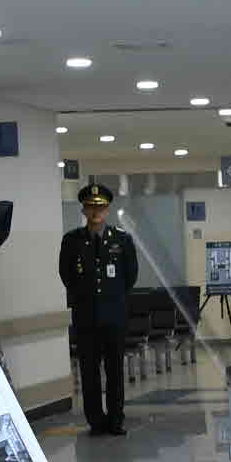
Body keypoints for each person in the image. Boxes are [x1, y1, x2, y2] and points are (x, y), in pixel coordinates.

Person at [58, 181, 137, 435]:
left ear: (107, 210)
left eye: (100, 207)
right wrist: (84, 297)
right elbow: (66, 275)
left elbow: (130, 276)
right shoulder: (72, 241)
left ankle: (115, 420)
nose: (95, 212)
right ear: (83, 210)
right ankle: (95, 420)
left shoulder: (122, 240)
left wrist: (112, 299)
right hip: (86, 318)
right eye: (90, 207)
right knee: (89, 371)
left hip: (114, 316)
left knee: (114, 371)